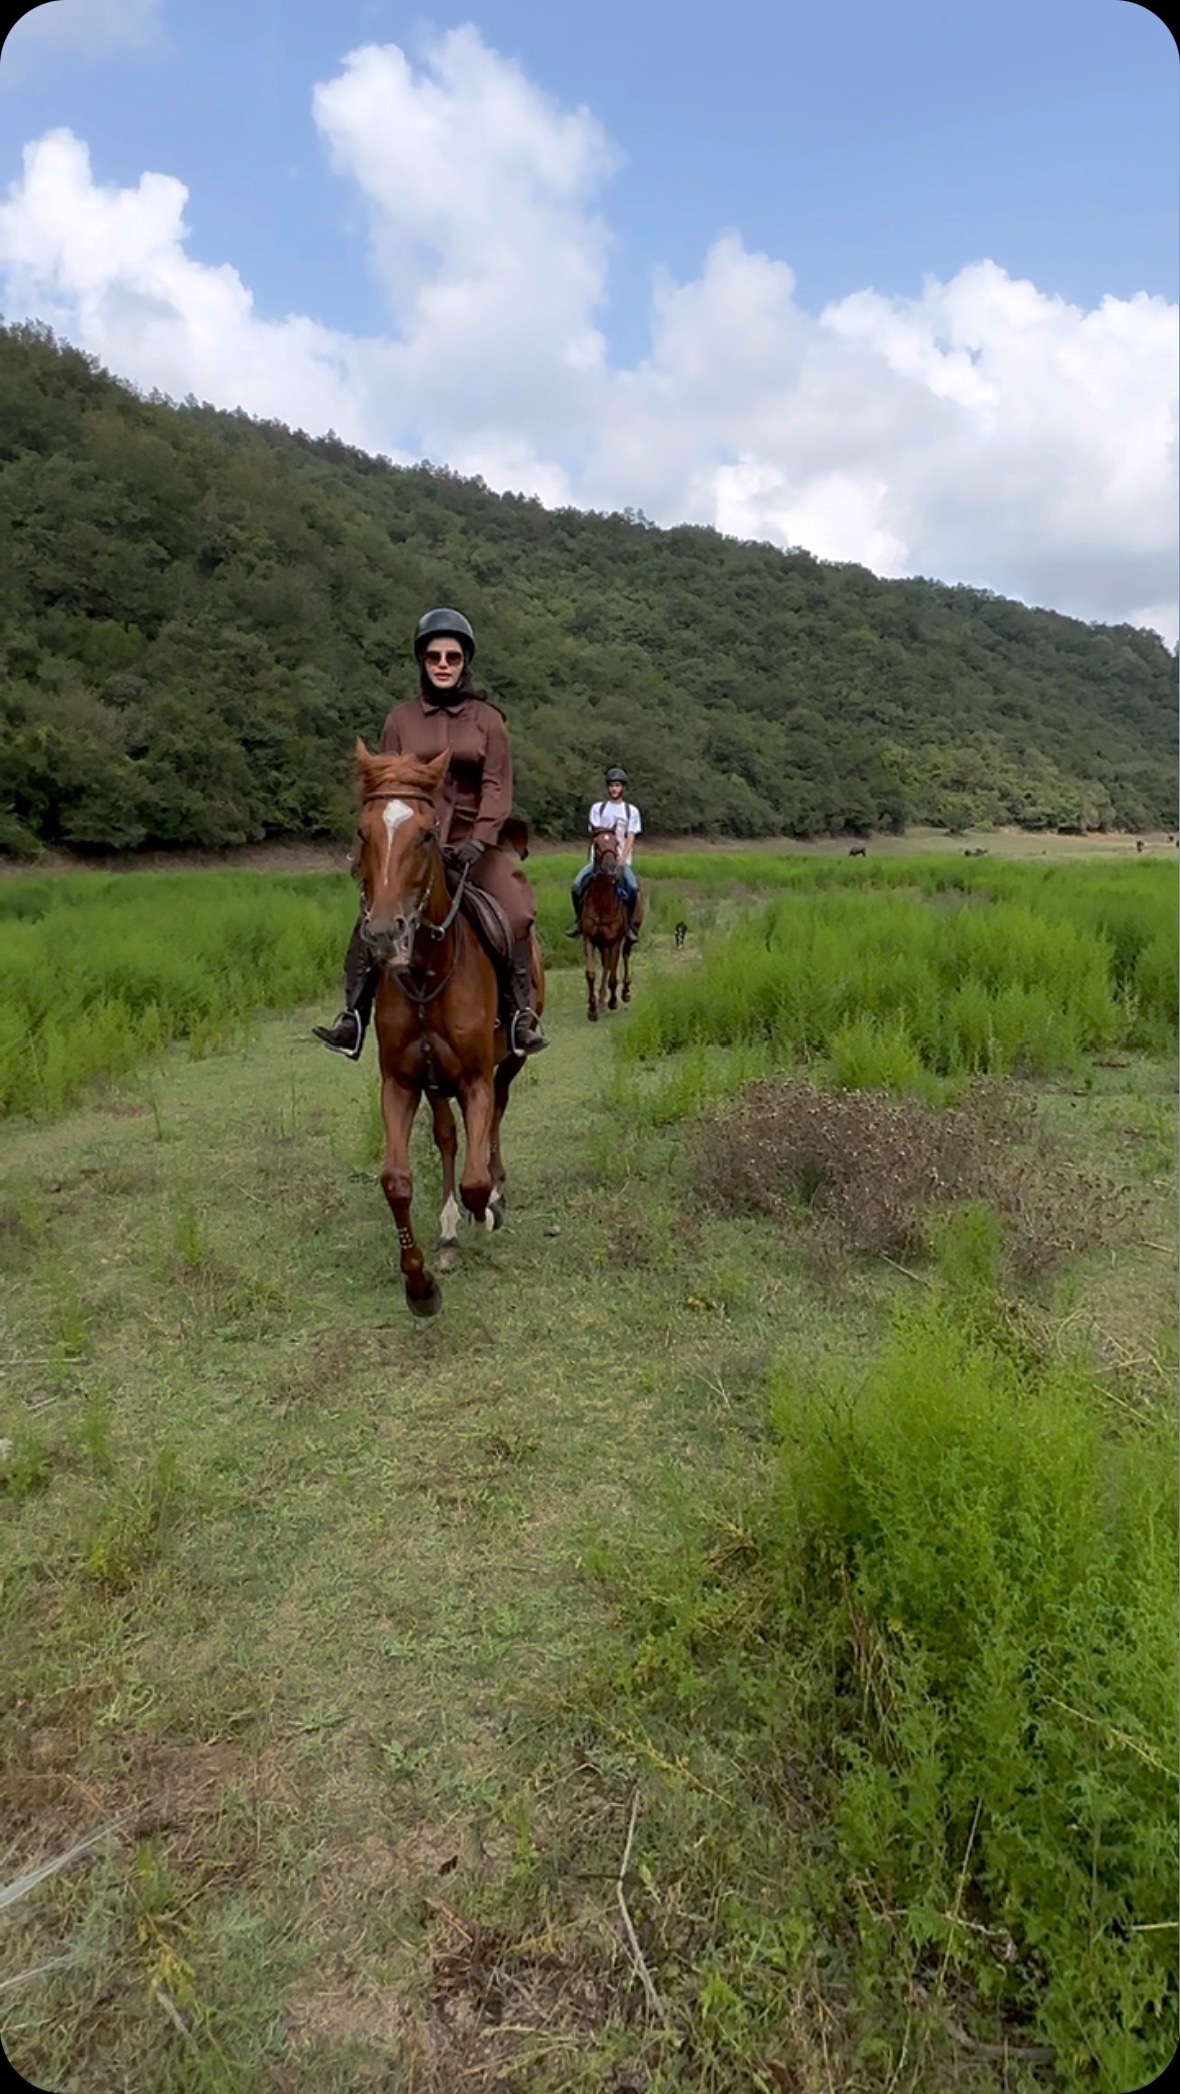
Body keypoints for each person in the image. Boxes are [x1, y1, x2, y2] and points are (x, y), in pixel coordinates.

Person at [314, 609, 547, 1060]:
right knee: (374, 913)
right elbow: (384, 788)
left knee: (517, 911)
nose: (443, 664)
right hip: (413, 843)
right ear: (422, 660)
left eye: (453, 657)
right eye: (434, 656)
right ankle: (355, 1016)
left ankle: (520, 1015)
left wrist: (480, 837)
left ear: (465, 663)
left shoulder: (489, 720)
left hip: (474, 842)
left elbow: (498, 784)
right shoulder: (399, 720)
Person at [570, 767, 642, 940]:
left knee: (632, 888)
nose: (614, 789)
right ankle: (579, 922)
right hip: (598, 861)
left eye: (617, 785)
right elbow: (595, 834)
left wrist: (622, 860)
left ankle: (630, 927)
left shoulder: (631, 811)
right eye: (611, 785)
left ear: (623, 788)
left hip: (620, 861)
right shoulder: (598, 809)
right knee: (577, 885)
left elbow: (630, 837)